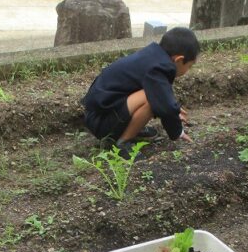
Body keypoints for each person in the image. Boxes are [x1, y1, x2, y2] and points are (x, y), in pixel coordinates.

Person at [82, 27, 197, 158]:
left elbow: (164, 97)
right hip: (101, 121)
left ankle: (131, 129)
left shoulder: (153, 56)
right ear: (179, 60)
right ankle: (122, 143)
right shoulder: (160, 68)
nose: (188, 70)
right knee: (150, 98)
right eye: (190, 66)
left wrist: (172, 107)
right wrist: (177, 131)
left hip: (102, 112)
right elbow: (165, 105)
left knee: (156, 96)